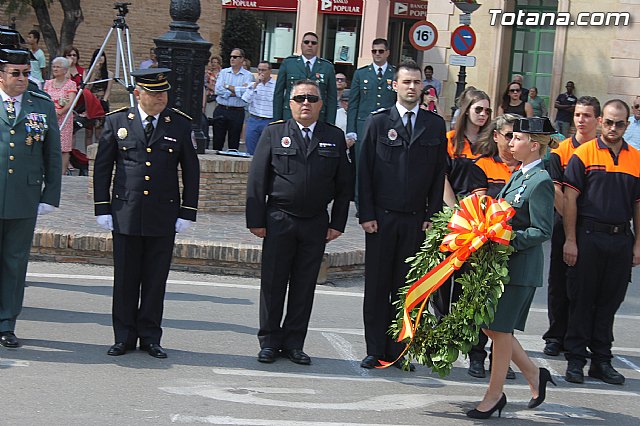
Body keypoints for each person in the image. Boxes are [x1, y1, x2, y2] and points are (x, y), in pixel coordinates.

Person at [93, 68, 200, 359]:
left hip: (163, 214)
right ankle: (123, 336)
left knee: (155, 280)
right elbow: (103, 168)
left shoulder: (178, 124)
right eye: (155, 93)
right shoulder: (117, 121)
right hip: (126, 211)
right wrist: (102, 207)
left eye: (164, 93)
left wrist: (187, 212)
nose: (161, 98)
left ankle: (151, 337)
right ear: (138, 93)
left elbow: (191, 171)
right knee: (125, 279)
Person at [246, 79, 353, 365]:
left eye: (312, 99)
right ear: (290, 103)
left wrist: (338, 223)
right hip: (279, 218)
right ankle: (269, 341)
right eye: (300, 98)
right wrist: (256, 219)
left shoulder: (334, 136)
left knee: (304, 286)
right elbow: (257, 179)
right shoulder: (274, 132)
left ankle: (294, 343)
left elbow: (344, 186)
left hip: (316, 221)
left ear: (321, 104)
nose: (306, 103)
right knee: (273, 283)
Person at [358, 60, 447, 370]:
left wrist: (432, 215)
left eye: (416, 82)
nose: (412, 87)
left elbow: (438, 175)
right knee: (378, 285)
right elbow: (364, 171)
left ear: (423, 87)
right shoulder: (379, 122)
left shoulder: (434, 125)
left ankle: (398, 350)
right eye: (406, 82)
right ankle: (374, 348)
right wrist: (365, 213)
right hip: (380, 219)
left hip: (415, 219)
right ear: (394, 86)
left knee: (406, 287)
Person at [467, 116, 557, 419]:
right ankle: (534, 374)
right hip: (505, 266)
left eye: (517, 138)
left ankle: (494, 396)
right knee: (491, 326)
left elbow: (542, 230)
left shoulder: (541, 181)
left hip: (521, 269)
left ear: (534, 145)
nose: (511, 142)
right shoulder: (519, 174)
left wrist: (505, 238)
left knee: (500, 330)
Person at [562, 99, 640, 385]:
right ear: (601, 122)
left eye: (619, 123)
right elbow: (570, 199)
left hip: (620, 239)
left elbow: (638, 205)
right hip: (588, 236)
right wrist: (570, 240)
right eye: (608, 122)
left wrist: (638, 244)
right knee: (582, 300)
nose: (613, 128)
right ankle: (575, 360)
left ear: (627, 125)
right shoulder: (583, 154)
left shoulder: (637, 159)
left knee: (609, 303)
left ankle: (601, 361)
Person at [0, 47, 62, 348]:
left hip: (24, 195)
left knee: (15, 261)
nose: (23, 79)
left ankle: (6, 323)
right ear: (1, 75)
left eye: (26, 73)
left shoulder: (42, 105)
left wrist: (50, 194)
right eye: (16, 73)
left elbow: (51, 153)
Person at [542, 96, 600, 357]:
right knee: (559, 282)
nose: (581, 120)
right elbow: (557, 191)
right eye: (578, 115)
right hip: (563, 223)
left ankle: (579, 337)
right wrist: (571, 228)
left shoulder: (602, 151)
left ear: (597, 120)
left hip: (592, 229)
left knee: (585, 286)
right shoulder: (560, 151)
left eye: (587, 115)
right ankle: (555, 335)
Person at [347, 38, 396, 212]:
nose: (377, 54)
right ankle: (362, 205)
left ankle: (381, 202)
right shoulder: (361, 74)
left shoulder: (394, 74)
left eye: (381, 51)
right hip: (364, 127)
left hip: (387, 128)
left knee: (385, 166)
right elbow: (353, 103)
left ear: (387, 52)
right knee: (363, 167)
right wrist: (351, 130)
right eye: (374, 51)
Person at [273, 32, 337, 124]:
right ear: (301, 45)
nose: (310, 45)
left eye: (313, 43)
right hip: (290, 116)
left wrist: (330, 123)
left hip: (318, 118)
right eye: (306, 42)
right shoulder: (288, 64)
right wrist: (278, 120)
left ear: (318, 46)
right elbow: (278, 94)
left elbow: (332, 98)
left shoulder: (327, 67)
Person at [468, 114, 521, 198]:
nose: (513, 141)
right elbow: (480, 204)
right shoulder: (482, 165)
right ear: (495, 136)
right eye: (509, 136)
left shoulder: (530, 165)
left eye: (518, 137)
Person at [212, 48, 254, 151]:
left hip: (237, 112)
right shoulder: (224, 72)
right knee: (217, 141)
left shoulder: (248, 75)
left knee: (233, 143)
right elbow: (217, 90)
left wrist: (226, 86)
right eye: (231, 56)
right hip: (221, 109)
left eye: (235, 57)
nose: (232, 59)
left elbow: (245, 93)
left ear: (242, 59)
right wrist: (236, 91)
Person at [44, 57, 76, 175]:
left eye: (58, 67)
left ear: (65, 69)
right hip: (49, 117)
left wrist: (60, 112)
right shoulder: (48, 83)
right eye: (54, 66)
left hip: (64, 118)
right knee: (48, 144)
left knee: (64, 148)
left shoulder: (70, 84)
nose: (55, 69)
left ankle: (62, 173)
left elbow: (71, 102)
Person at [241, 60, 275, 155]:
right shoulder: (253, 85)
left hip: (268, 121)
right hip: (254, 120)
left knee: (267, 150)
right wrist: (255, 85)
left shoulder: (275, 86)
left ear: (270, 71)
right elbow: (245, 99)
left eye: (264, 70)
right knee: (251, 148)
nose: (261, 73)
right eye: (259, 70)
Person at [84, 49, 113, 147]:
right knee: (88, 132)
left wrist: (103, 102)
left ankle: (97, 154)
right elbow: (87, 88)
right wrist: (94, 73)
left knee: (99, 131)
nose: (100, 58)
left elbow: (108, 90)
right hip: (90, 101)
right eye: (97, 56)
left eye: (102, 56)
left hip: (101, 102)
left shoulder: (109, 74)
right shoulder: (87, 72)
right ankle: (87, 156)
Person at [204, 54, 222, 121]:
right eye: (212, 62)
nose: (213, 64)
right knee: (209, 116)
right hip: (210, 97)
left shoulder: (222, 73)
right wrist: (211, 87)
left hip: (219, 97)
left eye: (215, 62)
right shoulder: (208, 73)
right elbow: (205, 83)